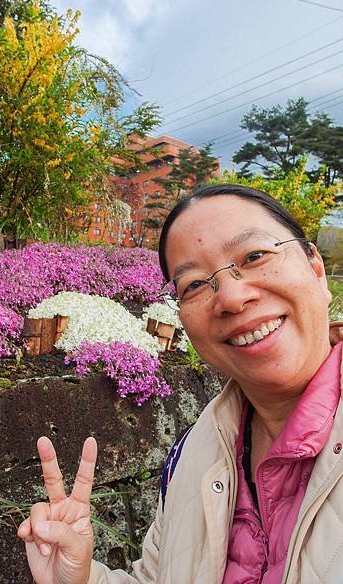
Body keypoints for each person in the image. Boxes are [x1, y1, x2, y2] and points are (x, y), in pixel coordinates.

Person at [18, 184, 343, 584]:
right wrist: (81, 579)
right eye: (194, 285)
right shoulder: (193, 452)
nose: (231, 298)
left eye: (255, 256)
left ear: (315, 267)